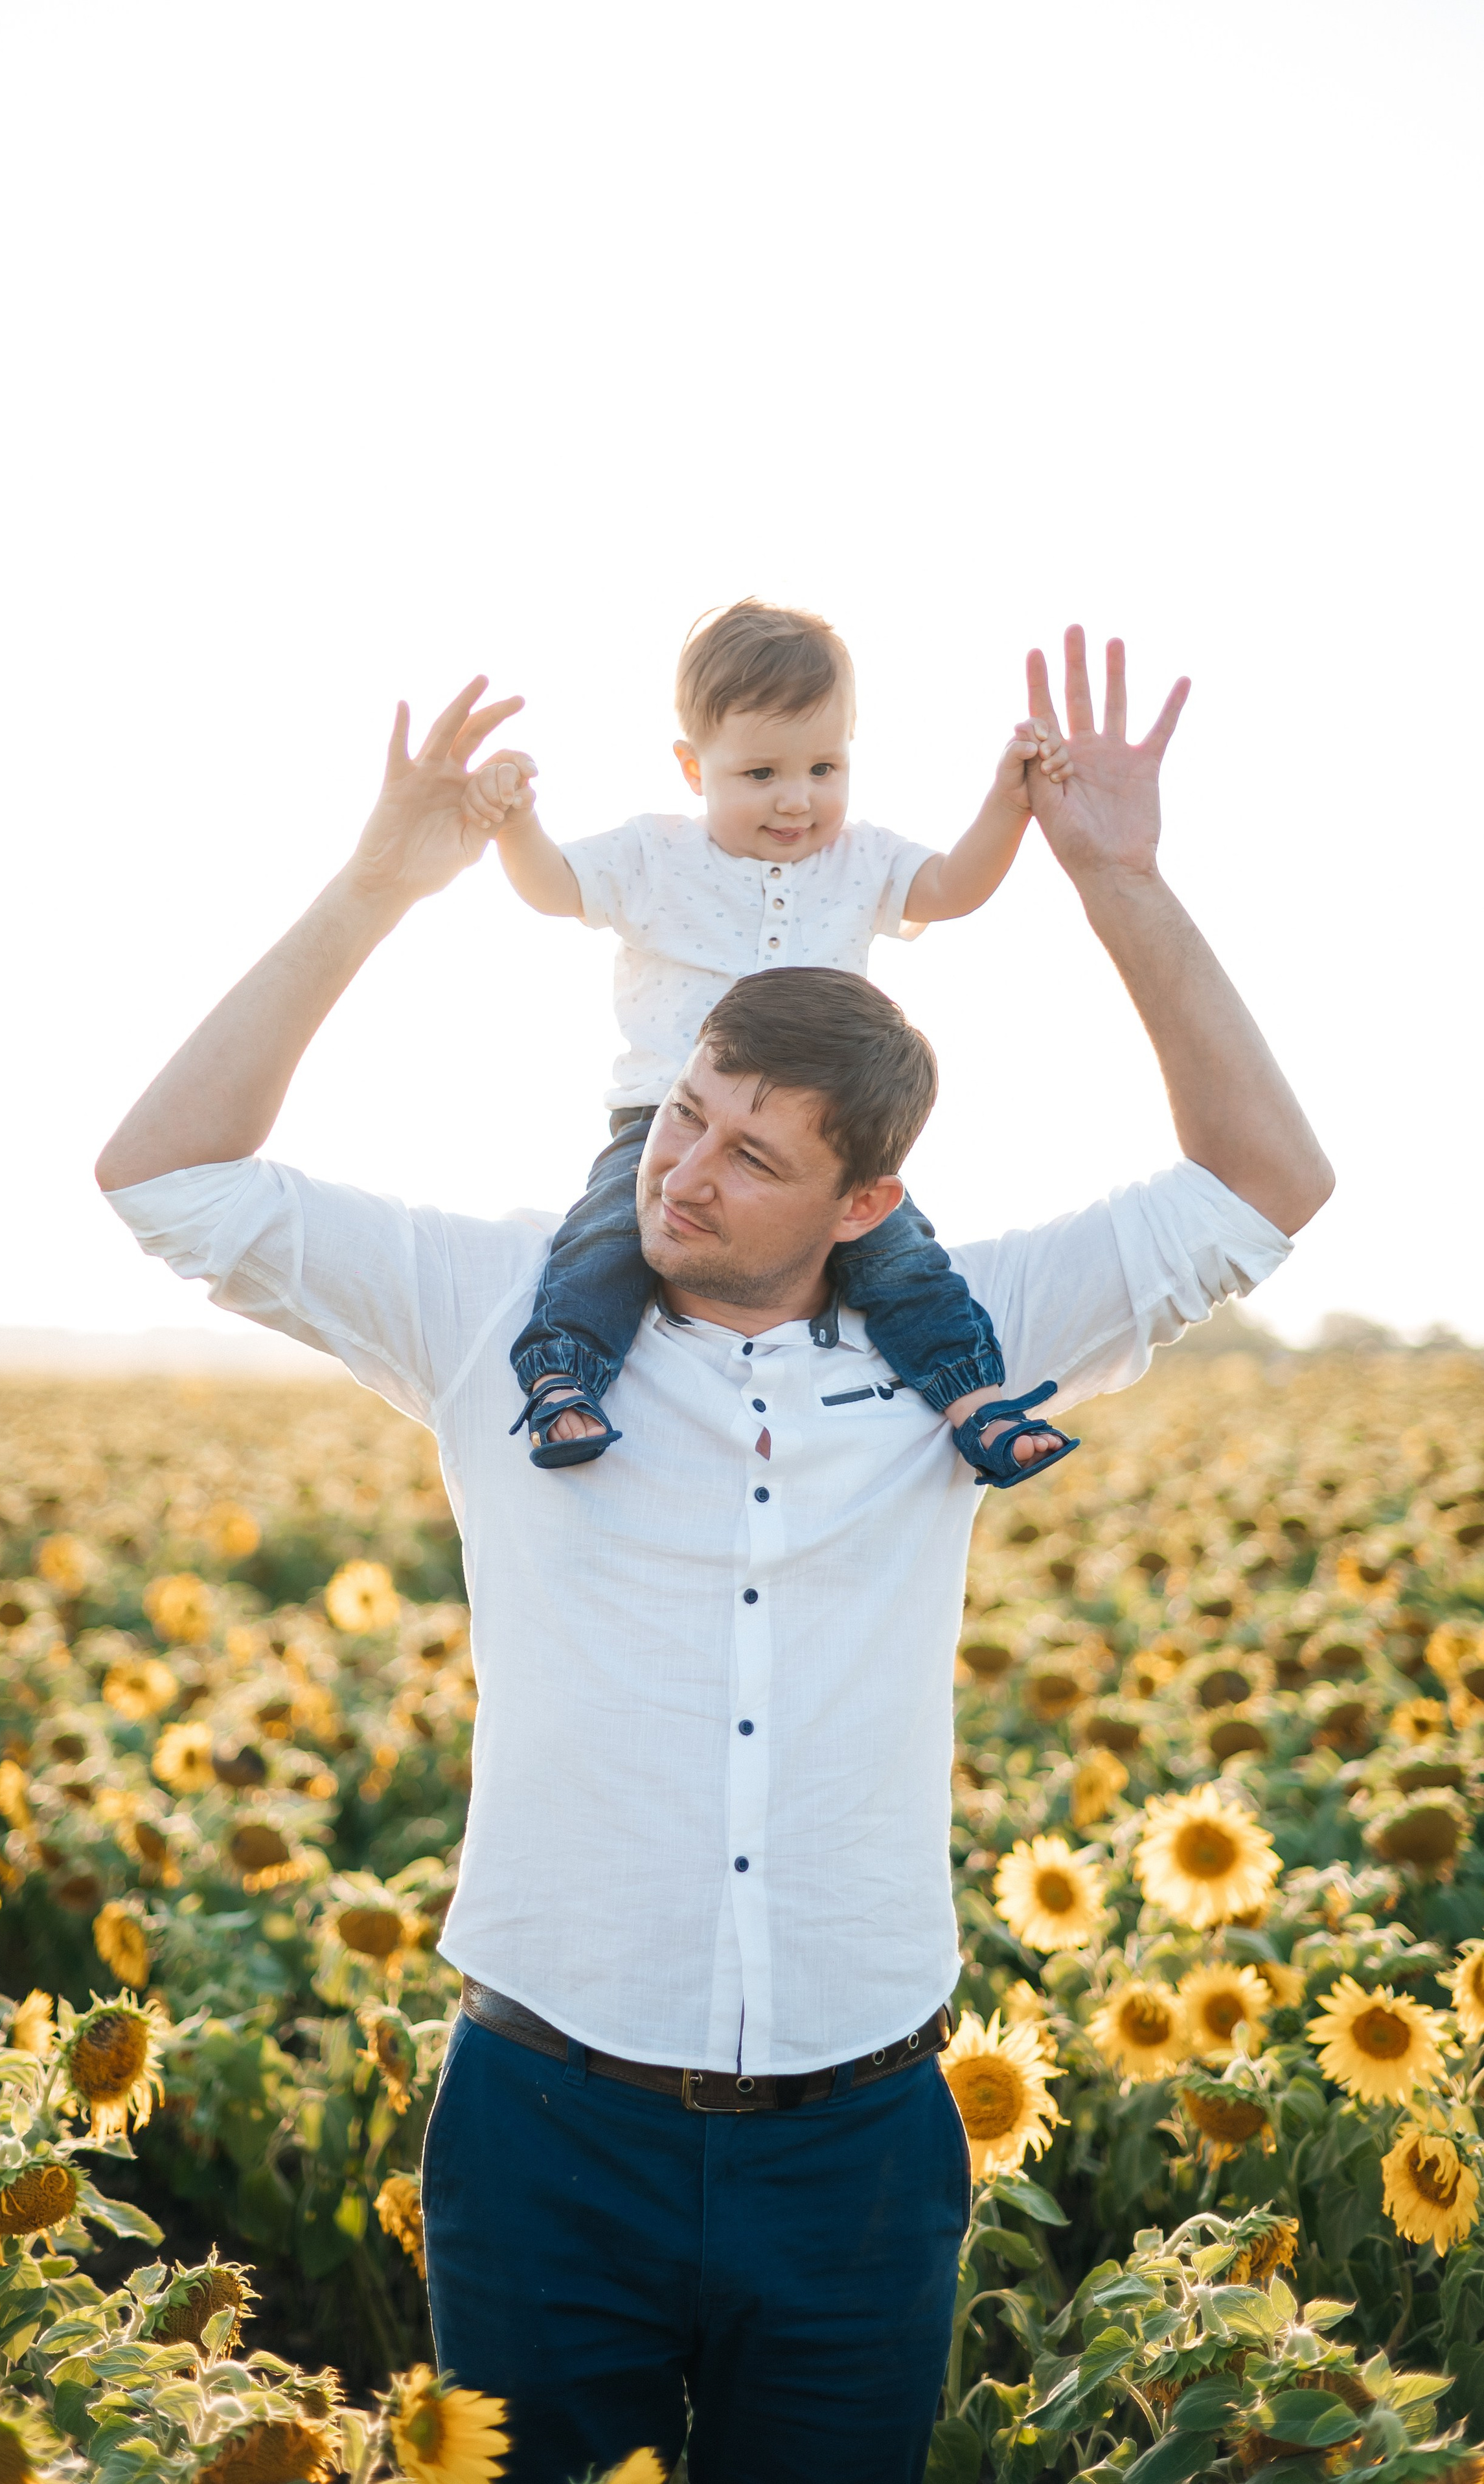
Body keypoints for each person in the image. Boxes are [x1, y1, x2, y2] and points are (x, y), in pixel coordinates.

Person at [95, 628, 1333, 2484]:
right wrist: (379, 884)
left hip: (859, 2143)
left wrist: (1123, 884)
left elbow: (1264, 1180)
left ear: (865, 1201)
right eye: (683, 1116)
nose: (684, 1172)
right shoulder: (496, 1307)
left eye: (752, 1154)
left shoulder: (967, 1333)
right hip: (542, 2119)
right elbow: (164, 1172)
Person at [472, 595, 1080, 1486]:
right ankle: (565, 1377)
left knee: (901, 1256)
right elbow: (556, 887)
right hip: (663, 1117)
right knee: (606, 1239)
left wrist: (1007, 803)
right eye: (760, 774)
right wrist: (515, 822)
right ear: (694, 768)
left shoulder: (860, 861)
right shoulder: (655, 857)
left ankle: (972, 1399)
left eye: (824, 767)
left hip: (818, 1137)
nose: (798, 799)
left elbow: (951, 887)